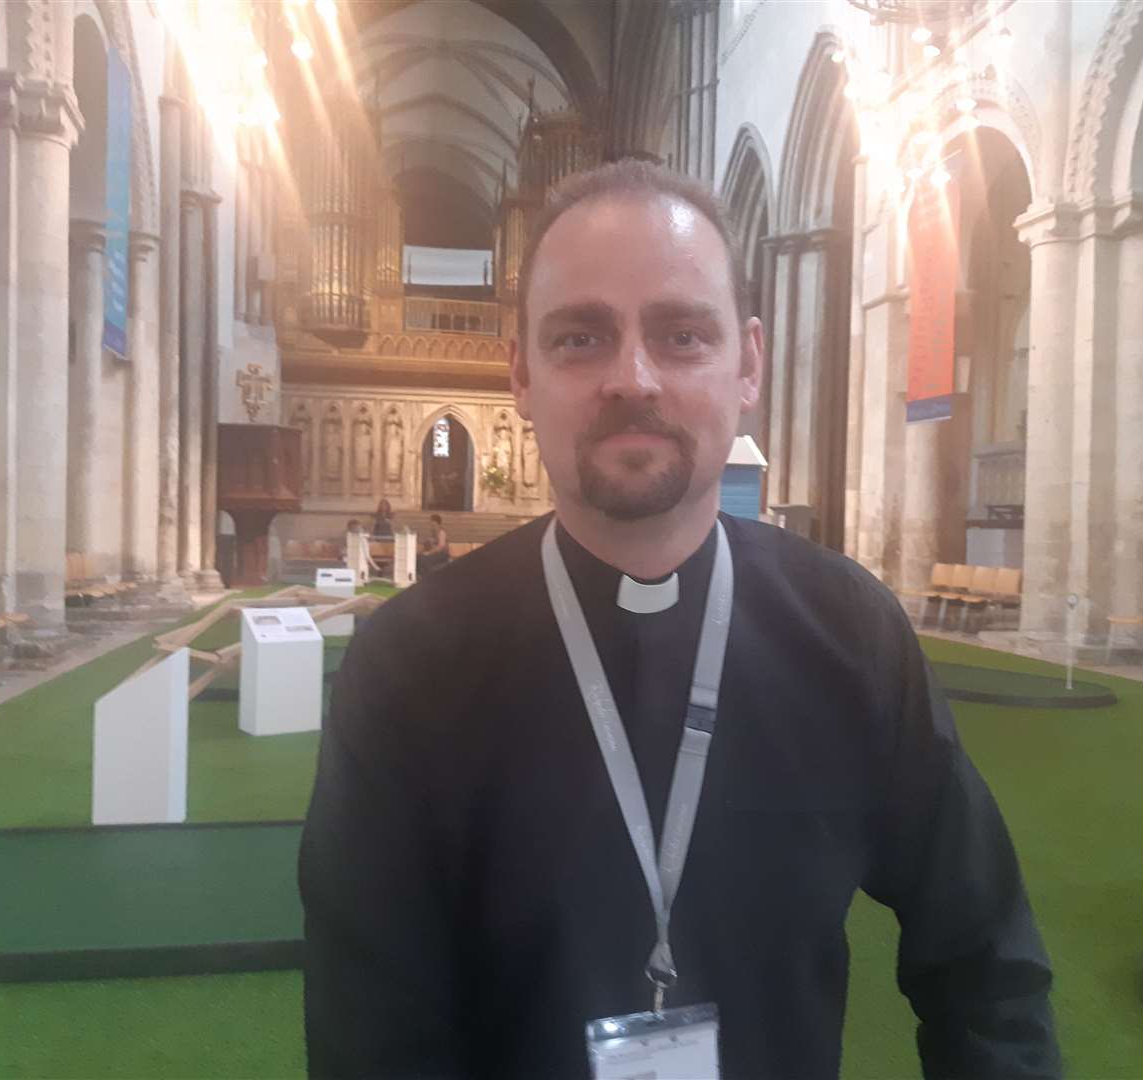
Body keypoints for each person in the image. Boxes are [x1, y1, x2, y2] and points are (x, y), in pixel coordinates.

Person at [301, 160, 1060, 1079]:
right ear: (520, 374)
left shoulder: (851, 633)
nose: (633, 377)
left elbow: (986, 962)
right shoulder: (407, 665)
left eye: (682, 336)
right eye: (581, 337)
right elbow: (372, 1035)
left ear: (747, 365)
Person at [416, 513, 450, 578]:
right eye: (431, 524)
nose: (433, 526)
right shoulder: (433, 533)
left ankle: (427, 576)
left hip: (442, 554)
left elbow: (440, 547)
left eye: (434, 525)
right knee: (418, 556)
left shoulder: (441, 533)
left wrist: (429, 553)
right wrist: (421, 551)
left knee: (424, 559)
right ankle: (420, 575)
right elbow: (428, 545)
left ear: (439, 524)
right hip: (434, 553)